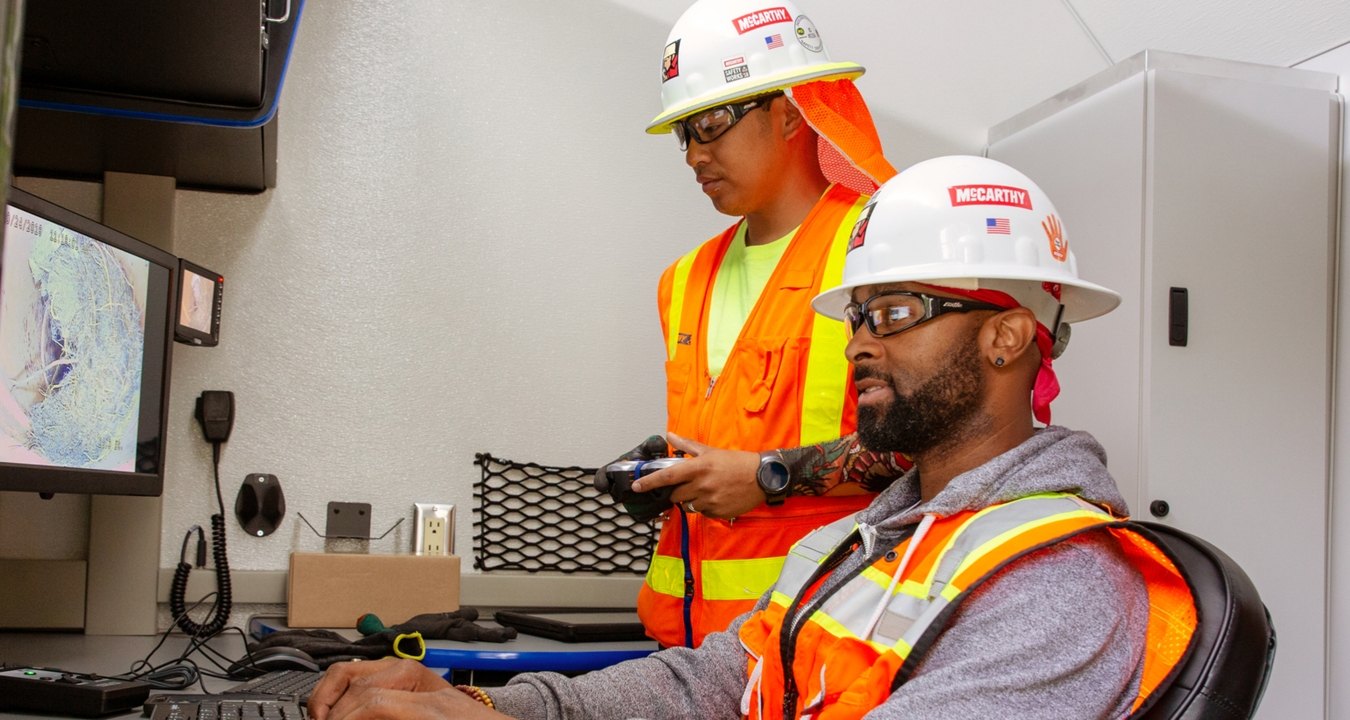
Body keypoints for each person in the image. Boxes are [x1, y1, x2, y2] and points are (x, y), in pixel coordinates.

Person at [308, 155, 1198, 720]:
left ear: (1009, 336)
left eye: (893, 312)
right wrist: (493, 710)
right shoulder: (865, 543)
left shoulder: (1059, 587)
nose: (858, 344)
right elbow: (718, 680)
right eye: (856, 317)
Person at [622, 0, 905, 650]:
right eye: (682, 133)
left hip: (822, 643)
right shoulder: (683, 280)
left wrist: (767, 475)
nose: (694, 154)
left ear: (787, 112)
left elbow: (935, 449)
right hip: (685, 651)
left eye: (711, 124)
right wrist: (666, 476)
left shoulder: (878, 250)